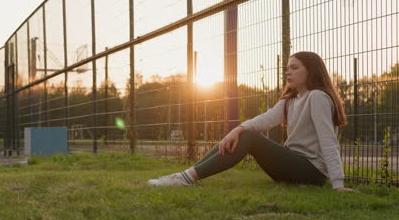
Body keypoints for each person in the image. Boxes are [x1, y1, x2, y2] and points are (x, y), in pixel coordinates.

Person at [148, 51, 357, 192]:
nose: (288, 72)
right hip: (292, 166)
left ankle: (185, 179)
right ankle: (185, 176)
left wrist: (338, 184)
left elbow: (328, 140)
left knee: (248, 136)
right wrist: (237, 129)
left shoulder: (317, 97)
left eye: (294, 68)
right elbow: (266, 120)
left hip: (312, 172)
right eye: (287, 68)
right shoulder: (292, 99)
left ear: (310, 71)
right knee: (243, 133)